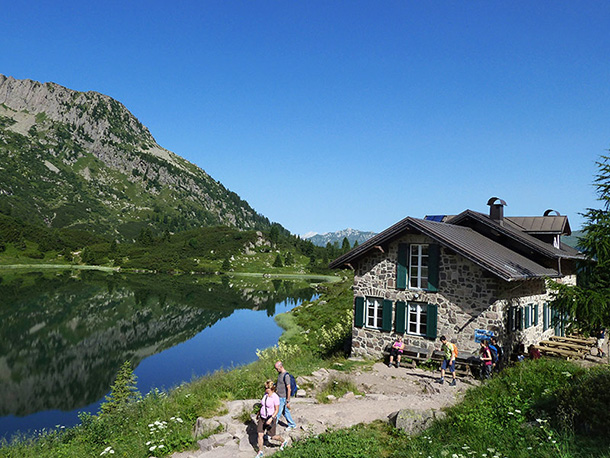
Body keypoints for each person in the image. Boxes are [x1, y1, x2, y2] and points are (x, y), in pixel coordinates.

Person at [255, 380, 288, 458]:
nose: (265, 389)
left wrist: (271, 418)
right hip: (262, 417)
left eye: (266, 388)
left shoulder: (275, 397)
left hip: (270, 418)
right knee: (260, 434)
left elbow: (276, 410)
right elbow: (263, 405)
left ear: (271, 388)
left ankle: (283, 441)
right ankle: (260, 452)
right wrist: (259, 413)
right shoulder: (265, 395)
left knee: (272, 436)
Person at [274, 361, 297, 431]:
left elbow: (289, 388)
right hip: (279, 396)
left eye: (277, 368)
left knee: (277, 413)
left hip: (283, 398)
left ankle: (271, 429)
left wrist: (288, 400)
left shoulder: (286, 376)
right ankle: (292, 424)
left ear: (281, 367)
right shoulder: (280, 374)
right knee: (285, 412)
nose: (276, 370)